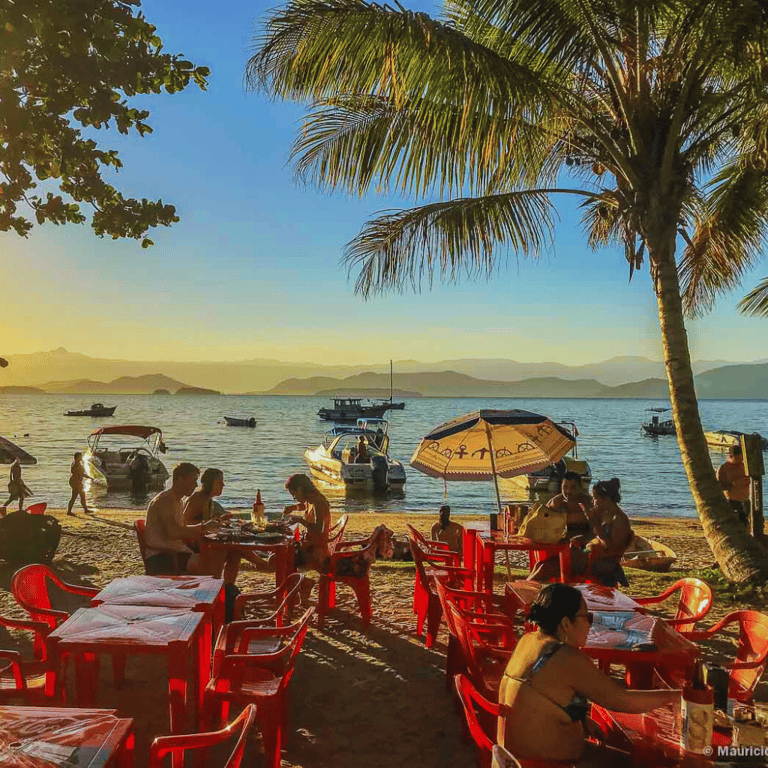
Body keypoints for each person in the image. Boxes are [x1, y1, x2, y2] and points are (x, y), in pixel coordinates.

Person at [497, 583, 680, 766]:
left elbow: (540, 694)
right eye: (588, 617)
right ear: (566, 623)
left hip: (511, 757)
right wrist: (673, 696)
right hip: (544, 763)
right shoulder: (565, 657)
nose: (590, 625)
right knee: (640, 763)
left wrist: (581, 719)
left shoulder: (529, 640)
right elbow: (622, 700)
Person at [183, 468, 272, 584]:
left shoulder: (208, 500)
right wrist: (208, 524)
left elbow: (207, 522)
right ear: (209, 483)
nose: (223, 485)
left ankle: (229, 585)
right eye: (219, 482)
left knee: (235, 551)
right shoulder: (197, 499)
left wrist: (220, 520)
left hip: (205, 540)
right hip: (197, 544)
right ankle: (262, 564)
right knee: (235, 546)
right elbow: (185, 523)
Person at [143, 462, 220, 576]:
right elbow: (173, 532)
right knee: (212, 563)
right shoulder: (165, 501)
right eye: (193, 480)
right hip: (162, 556)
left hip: (174, 552)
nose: (196, 485)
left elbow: (182, 528)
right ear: (180, 480)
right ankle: (217, 586)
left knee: (219, 556)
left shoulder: (177, 501)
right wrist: (203, 528)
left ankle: (225, 585)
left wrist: (206, 527)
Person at [528, 472, 592, 582]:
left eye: (573, 487)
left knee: (544, 569)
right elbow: (542, 525)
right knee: (539, 565)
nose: (568, 491)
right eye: (565, 487)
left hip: (583, 555)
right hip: (560, 551)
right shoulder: (556, 502)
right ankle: (523, 589)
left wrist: (581, 538)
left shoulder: (589, 503)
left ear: (580, 488)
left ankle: (522, 589)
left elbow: (600, 532)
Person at [282, 473, 331, 601]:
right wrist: (293, 508)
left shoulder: (318, 502)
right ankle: (302, 584)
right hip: (311, 544)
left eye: (294, 494)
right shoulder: (312, 499)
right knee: (283, 555)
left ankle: (302, 584)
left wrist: (300, 520)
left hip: (316, 549)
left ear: (300, 489)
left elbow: (319, 528)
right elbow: (304, 506)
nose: (294, 497)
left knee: (282, 559)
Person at [583, 478, 633, 587]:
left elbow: (610, 547)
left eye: (595, 498)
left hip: (607, 562)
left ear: (605, 499)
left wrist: (595, 523)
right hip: (597, 555)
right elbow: (595, 535)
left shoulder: (619, 519)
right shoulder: (604, 514)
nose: (593, 502)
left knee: (571, 563)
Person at [717, 445, 750, 527]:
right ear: (731, 456)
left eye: (742, 458)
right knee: (736, 523)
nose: (741, 460)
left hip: (745, 499)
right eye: (738, 458)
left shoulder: (744, 466)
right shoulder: (724, 468)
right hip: (732, 500)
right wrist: (734, 484)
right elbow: (720, 486)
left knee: (746, 523)